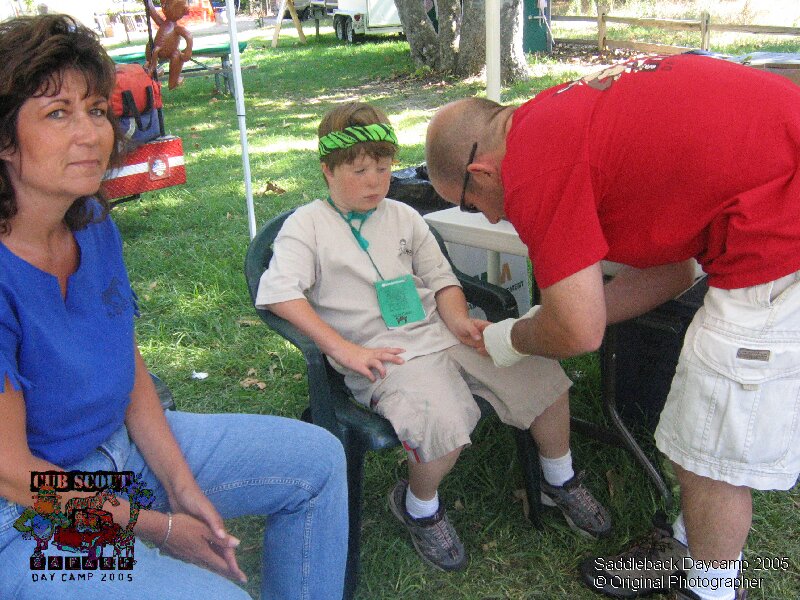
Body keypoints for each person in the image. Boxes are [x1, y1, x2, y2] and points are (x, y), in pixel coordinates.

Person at [424, 53, 800, 600]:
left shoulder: (531, 166)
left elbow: (578, 332)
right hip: (775, 192)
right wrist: (546, 323)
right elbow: (671, 273)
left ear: (479, 171)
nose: (491, 218)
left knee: (710, 461)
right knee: (697, 431)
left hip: (781, 229)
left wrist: (510, 338)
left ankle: (710, 590)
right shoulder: (551, 119)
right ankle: (692, 550)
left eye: (470, 204)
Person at [0, 14, 348, 600]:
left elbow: (126, 365)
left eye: (96, 110)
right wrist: (157, 527)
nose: (90, 133)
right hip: (25, 514)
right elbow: (12, 471)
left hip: (120, 452)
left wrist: (181, 485)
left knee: (318, 462)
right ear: (5, 141)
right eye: (57, 113)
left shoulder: (90, 223)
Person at [255, 101, 611, 572]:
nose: (374, 182)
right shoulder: (307, 226)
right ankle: (418, 506)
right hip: (383, 355)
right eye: (359, 171)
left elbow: (442, 280)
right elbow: (281, 295)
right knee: (440, 420)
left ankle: (557, 478)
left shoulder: (404, 216)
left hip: (442, 334)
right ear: (327, 170)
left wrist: (459, 319)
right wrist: (344, 350)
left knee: (540, 372)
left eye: (383, 169)